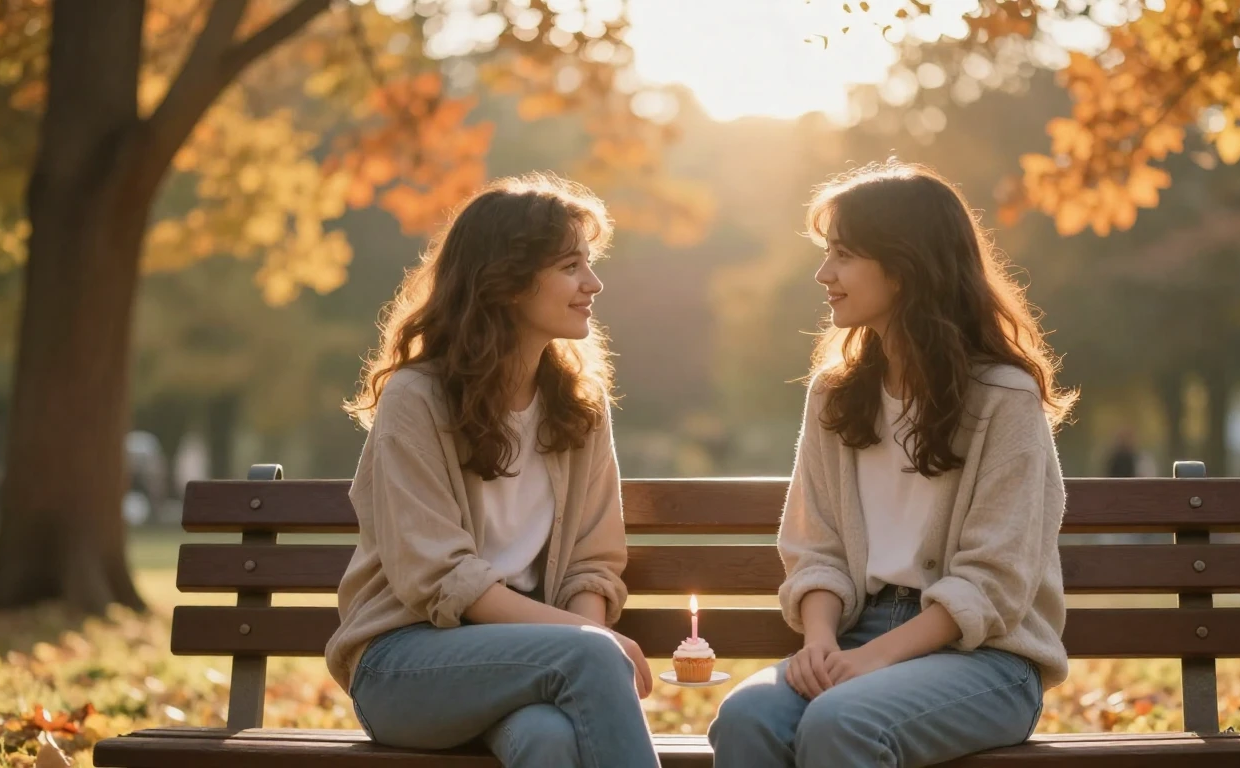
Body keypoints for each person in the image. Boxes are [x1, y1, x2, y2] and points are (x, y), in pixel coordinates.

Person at [709, 160, 1077, 768]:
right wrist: (823, 645)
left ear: (905, 268)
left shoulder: (1004, 399)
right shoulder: (835, 393)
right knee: (747, 717)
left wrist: (870, 662)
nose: (824, 274)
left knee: (842, 720)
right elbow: (815, 548)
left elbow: (993, 582)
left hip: (985, 660)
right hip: (855, 632)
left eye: (844, 255)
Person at [325, 174, 659, 768]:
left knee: (547, 741)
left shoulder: (579, 406)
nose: (593, 283)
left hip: (531, 664)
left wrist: (584, 635)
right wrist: (588, 643)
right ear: (505, 282)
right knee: (590, 655)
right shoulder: (416, 399)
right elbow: (439, 575)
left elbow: (592, 562)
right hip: (402, 664)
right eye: (570, 266)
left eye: (590, 264)